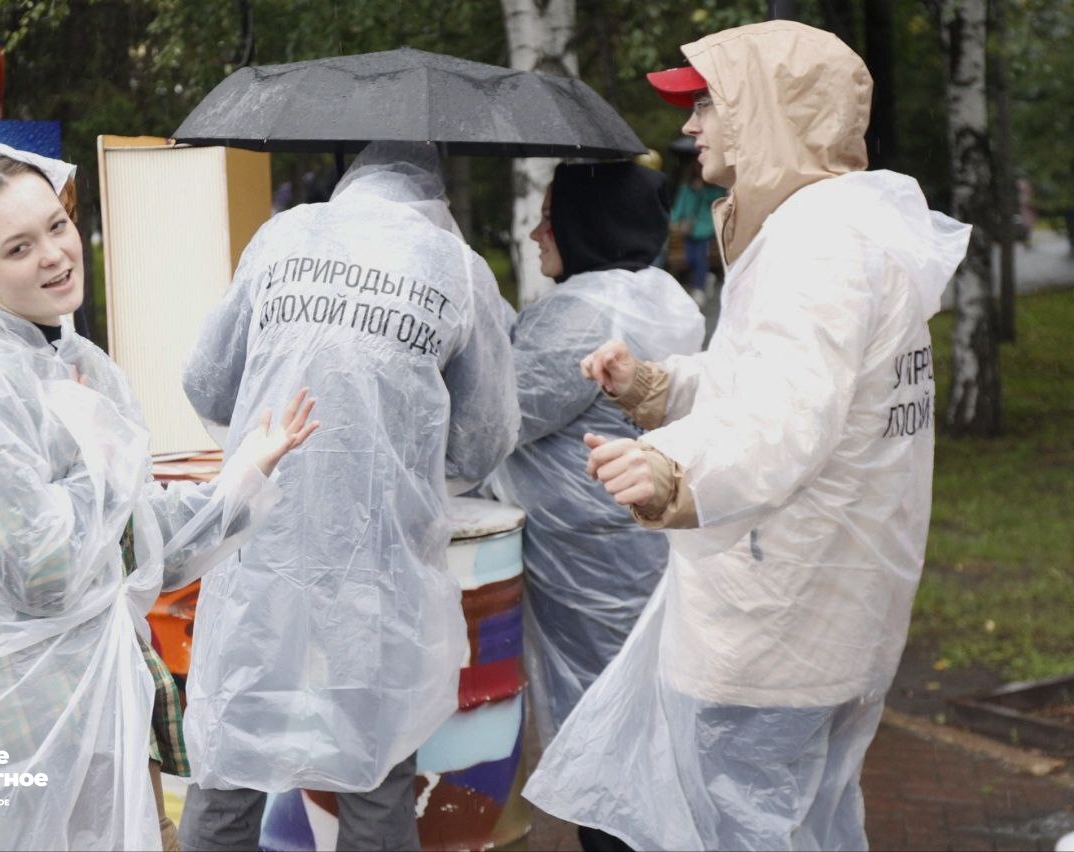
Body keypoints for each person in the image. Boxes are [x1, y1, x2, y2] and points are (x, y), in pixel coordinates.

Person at [522, 21, 970, 851]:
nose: (690, 127)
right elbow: (770, 385)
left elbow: (784, 419)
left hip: (777, 628)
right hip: (829, 615)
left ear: (766, 111)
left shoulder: (818, 246)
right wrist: (657, 388)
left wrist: (671, 471)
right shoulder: (843, 230)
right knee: (812, 827)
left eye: (706, 104)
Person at [0, 145, 318, 851]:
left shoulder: (60, 357)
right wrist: (103, 461)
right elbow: (44, 571)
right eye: (19, 247)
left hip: (83, 700)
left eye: (56, 227)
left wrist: (242, 478)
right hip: (22, 717)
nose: (54, 255)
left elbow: (128, 534)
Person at [178, 141, 519, 851]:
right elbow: (485, 439)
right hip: (380, 563)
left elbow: (208, 383)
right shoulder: (455, 267)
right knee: (375, 765)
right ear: (438, 200)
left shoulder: (283, 235)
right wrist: (409, 458)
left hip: (257, 547)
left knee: (230, 757)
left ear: (352, 180)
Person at [484, 159, 703, 852]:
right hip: (644, 558)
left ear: (588, 223)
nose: (535, 232)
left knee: (613, 766)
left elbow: (488, 423)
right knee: (656, 746)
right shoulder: (662, 293)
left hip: (589, 576)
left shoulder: (578, 316)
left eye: (551, 215)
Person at [669, 158, 727, 304]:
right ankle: (705, 277)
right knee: (689, 259)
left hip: (705, 228)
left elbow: (717, 205)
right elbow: (679, 206)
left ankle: (698, 288)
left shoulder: (715, 188)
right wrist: (675, 222)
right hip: (688, 229)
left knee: (700, 258)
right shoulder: (686, 188)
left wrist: (702, 192)